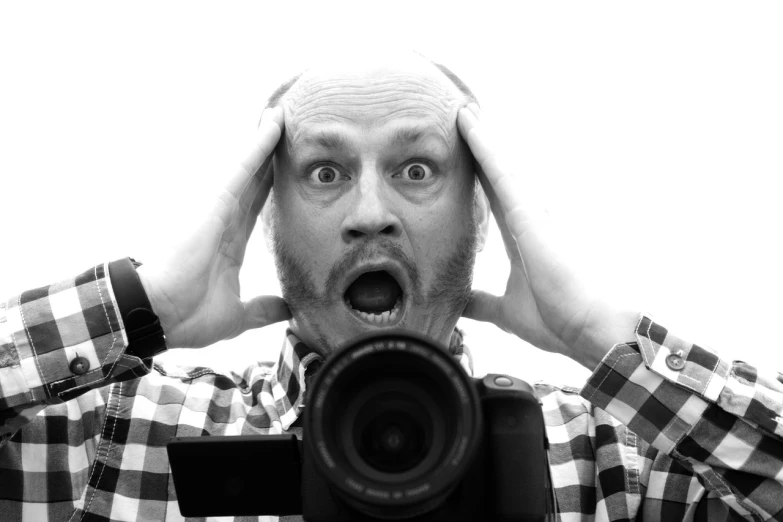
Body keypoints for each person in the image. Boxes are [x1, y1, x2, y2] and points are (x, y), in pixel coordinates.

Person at [1, 49, 781, 522]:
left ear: (482, 217)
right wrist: (141, 308)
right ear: (266, 218)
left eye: (416, 169)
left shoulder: (614, 464)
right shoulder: (114, 438)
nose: (369, 214)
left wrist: (599, 336)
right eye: (325, 172)